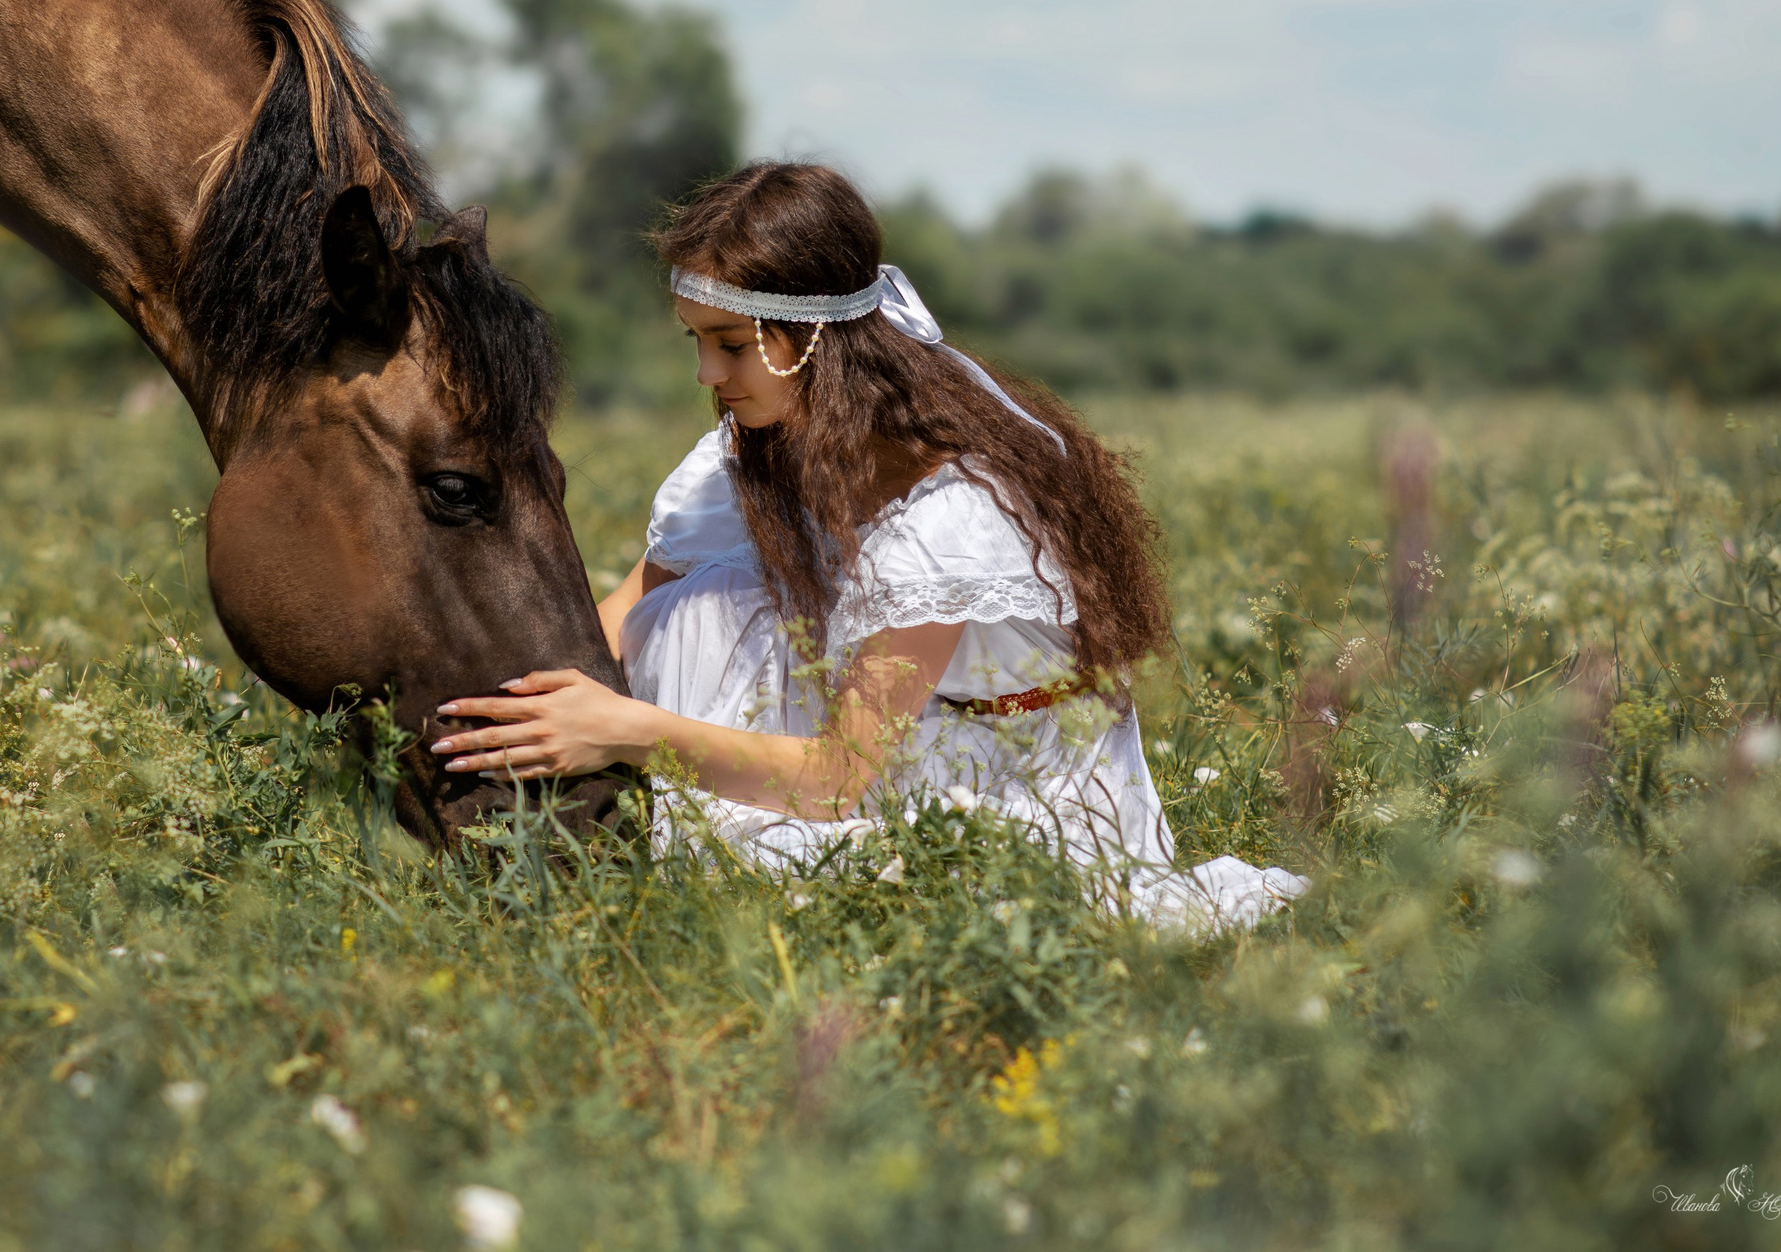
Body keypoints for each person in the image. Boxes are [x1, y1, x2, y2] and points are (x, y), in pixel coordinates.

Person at [429, 162, 1304, 931]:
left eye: (730, 345)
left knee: (830, 841)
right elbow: (625, 615)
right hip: (880, 740)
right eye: (696, 340)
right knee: (700, 600)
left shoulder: (951, 520)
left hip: (991, 779)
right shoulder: (760, 446)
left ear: (816, 338)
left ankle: (661, 828)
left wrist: (628, 733)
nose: (706, 374)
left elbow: (840, 776)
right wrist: (493, 708)